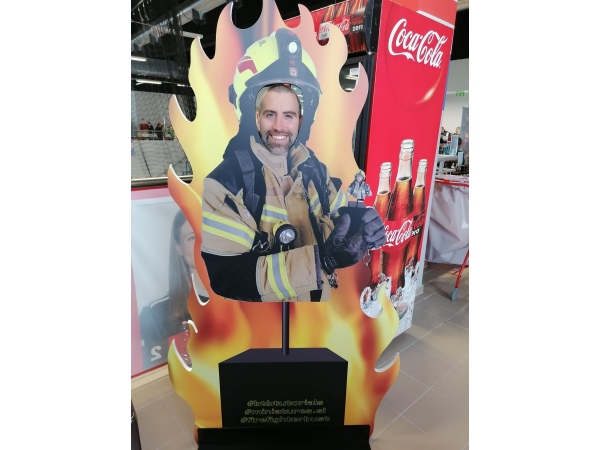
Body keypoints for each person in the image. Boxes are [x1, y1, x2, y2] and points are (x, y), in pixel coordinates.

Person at [200, 29, 385, 303]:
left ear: (302, 117)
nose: (280, 127)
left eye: (289, 115)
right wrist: (324, 260)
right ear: (252, 115)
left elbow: (338, 215)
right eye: (270, 114)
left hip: (318, 317)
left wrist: (361, 224)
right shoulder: (226, 184)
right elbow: (228, 275)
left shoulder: (315, 169)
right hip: (266, 325)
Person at [139, 209, 209, 369]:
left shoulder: (242, 300)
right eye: (192, 237)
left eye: (206, 235)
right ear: (179, 248)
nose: (201, 244)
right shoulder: (156, 314)